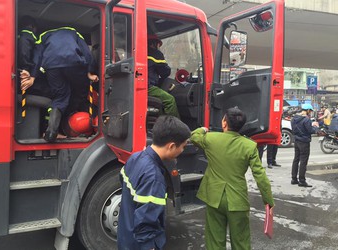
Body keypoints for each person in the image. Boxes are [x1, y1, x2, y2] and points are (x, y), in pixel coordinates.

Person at [190, 107, 274, 250]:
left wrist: (203, 129)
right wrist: (268, 201)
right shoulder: (249, 145)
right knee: (241, 242)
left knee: (215, 241)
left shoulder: (211, 139)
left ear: (224, 122)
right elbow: (260, 176)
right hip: (237, 199)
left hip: (214, 197)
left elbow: (193, 136)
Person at [117, 115, 191, 250]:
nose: (182, 151)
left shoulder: (135, 157)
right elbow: (146, 224)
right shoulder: (154, 178)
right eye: (183, 146)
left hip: (125, 237)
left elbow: (122, 181)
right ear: (172, 146)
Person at [21, 26, 99, 142]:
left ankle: (51, 132)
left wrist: (33, 76)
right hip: (74, 63)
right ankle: (72, 116)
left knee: (60, 96)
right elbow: (86, 52)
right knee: (80, 91)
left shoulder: (44, 35)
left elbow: (37, 55)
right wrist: (90, 72)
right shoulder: (74, 32)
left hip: (52, 67)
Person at [147, 35, 180, 118]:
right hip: (147, 87)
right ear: (154, 44)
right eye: (158, 45)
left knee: (160, 103)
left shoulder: (138, 52)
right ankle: (173, 127)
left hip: (137, 85)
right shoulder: (155, 53)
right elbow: (165, 72)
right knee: (169, 100)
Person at [291, 103, 319, 187]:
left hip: (297, 141)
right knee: (303, 161)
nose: (310, 113)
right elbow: (310, 130)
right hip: (304, 142)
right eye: (310, 111)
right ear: (307, 110)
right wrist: (315, 127)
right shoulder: (306, 119)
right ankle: (302, 181)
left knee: (296, 159)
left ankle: (294, 179)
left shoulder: (294, 119)